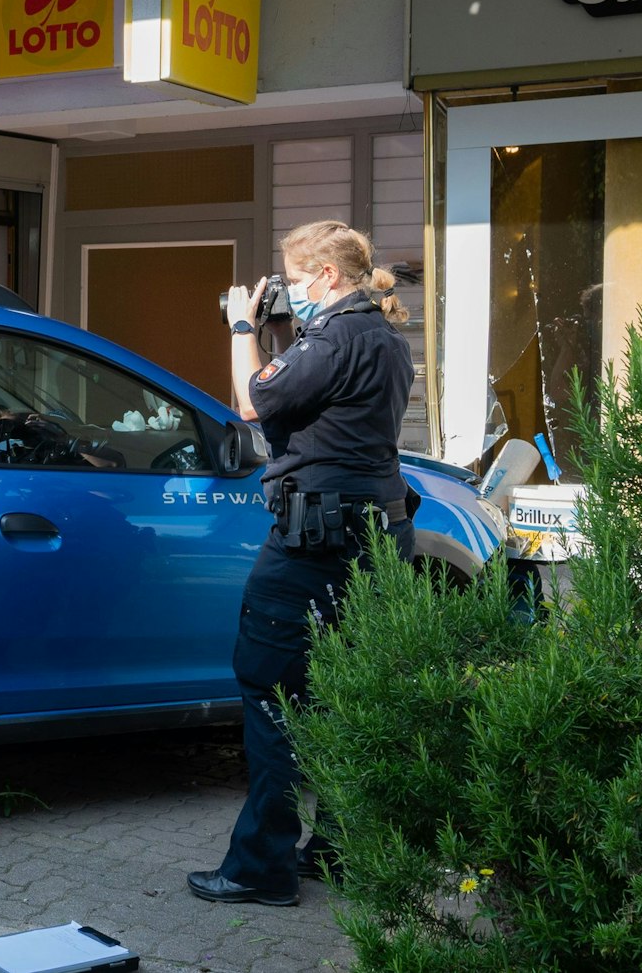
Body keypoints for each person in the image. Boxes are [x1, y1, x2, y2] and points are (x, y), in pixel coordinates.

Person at [188, 220, 416, 907]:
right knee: (344, 691)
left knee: (271, 686)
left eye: (291, 278)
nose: (284, 291)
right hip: (378, 539)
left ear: (324, 277)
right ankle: (340, 848)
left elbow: (252, 400)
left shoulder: (334, 337)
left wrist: (238, 326)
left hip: (314, 543)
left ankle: (261, 866)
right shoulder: (385, 337)